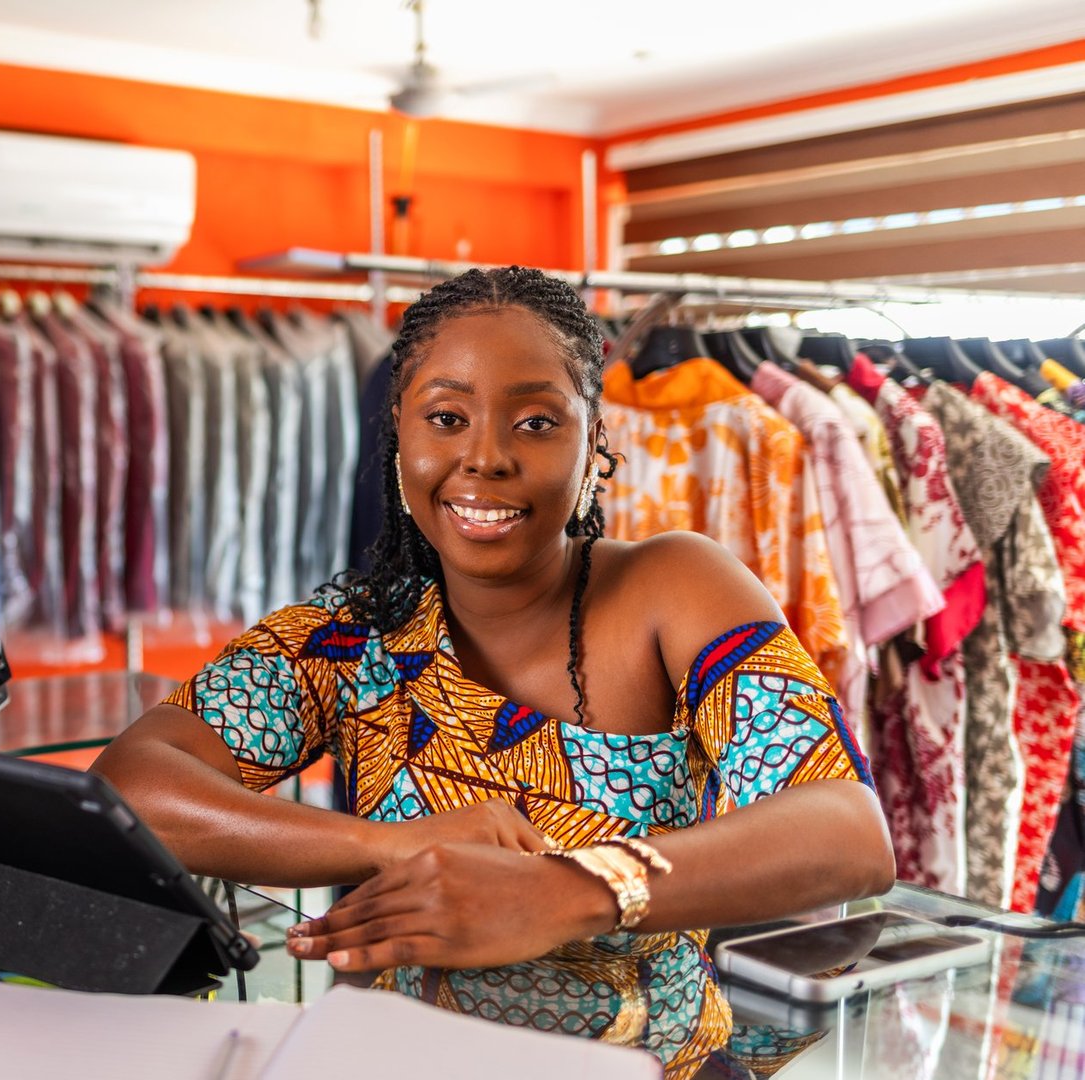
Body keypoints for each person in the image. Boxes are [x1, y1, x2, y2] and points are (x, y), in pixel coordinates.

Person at [91, 267, 894, 1074]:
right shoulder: (350, 637)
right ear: (399, 438)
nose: (485, 458)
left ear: (592, 445)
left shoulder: (672, 589)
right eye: (446, 418)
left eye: (537, 422)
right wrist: (390, 847)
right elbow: (133, 785)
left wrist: (571, 889)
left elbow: (846, 832)